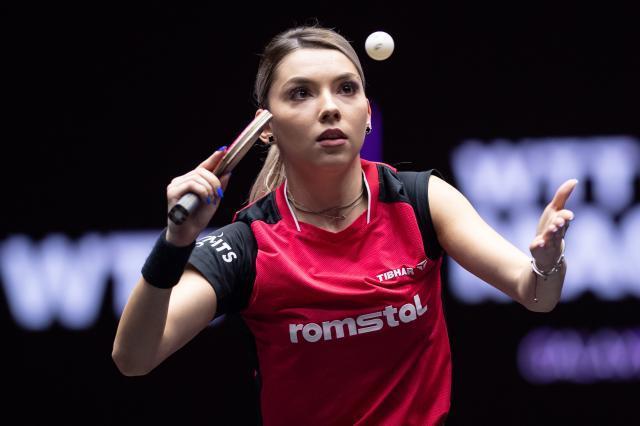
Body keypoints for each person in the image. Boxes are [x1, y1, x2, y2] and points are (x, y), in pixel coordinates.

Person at [112, 25, 577, 425]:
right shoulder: (248, 245)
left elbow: (536, 294)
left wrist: (547, 261)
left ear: (367, 113)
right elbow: (134, 358)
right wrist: (176, 241)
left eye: (346, 89)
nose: (329, 108)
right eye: (301, 93)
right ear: (265, 127)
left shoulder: (420, 201)